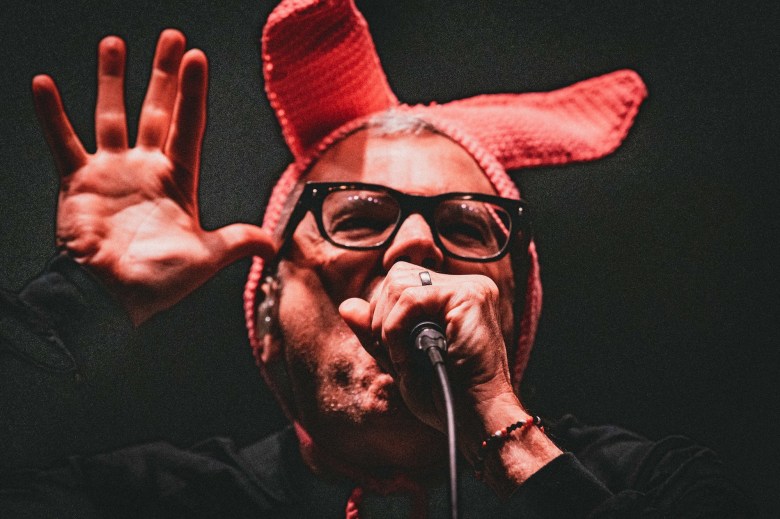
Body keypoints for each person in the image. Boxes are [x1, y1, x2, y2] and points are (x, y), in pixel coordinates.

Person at [0, 0, 754, 517]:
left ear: (515, 311)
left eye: (464, 226)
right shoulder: (143, 500)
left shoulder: (653, 483)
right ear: (266, 316)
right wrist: (79, 297)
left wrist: (504, 429)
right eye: (359, 216)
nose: (414, 247)